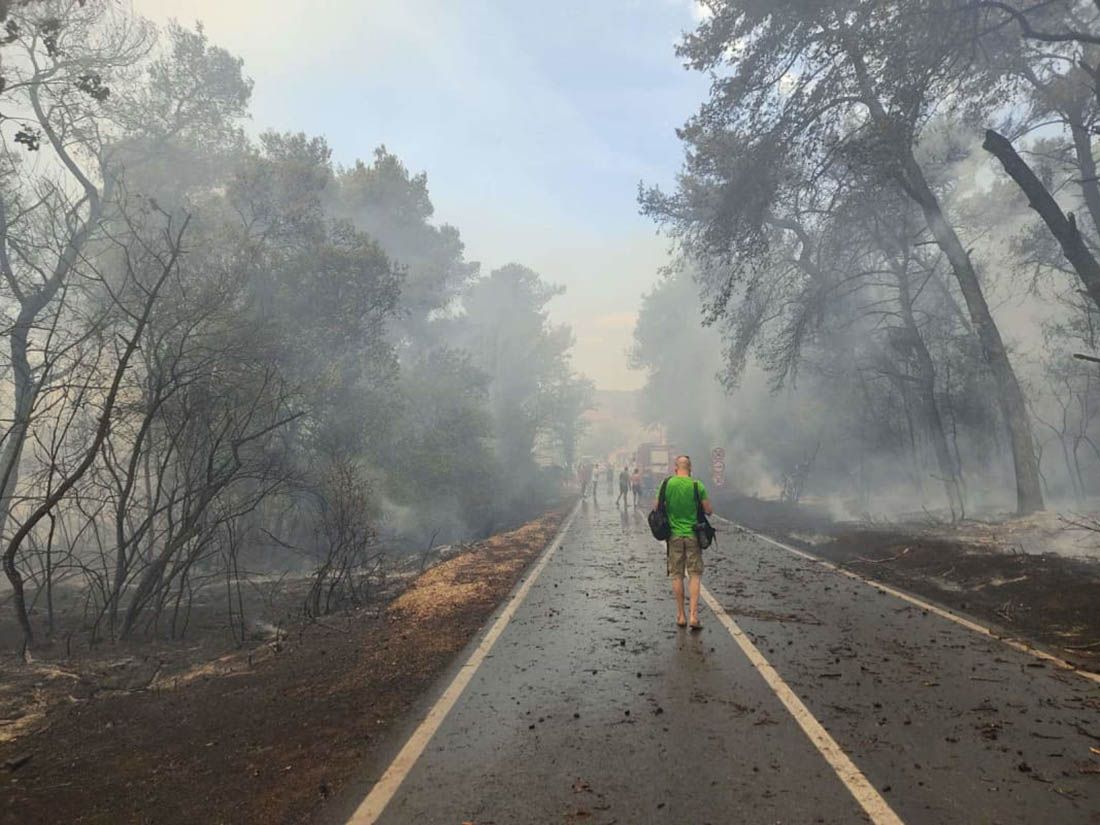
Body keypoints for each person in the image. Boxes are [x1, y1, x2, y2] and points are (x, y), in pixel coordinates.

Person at [656, 455, 713, 630]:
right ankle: (694, 616)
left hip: (673, 536)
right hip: (693, 536)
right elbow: (708, 510)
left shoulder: (666, 484)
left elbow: (656, 507)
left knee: (677, 575)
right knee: (694, 575)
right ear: (690, 468)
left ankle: (681, 616)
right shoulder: (697, 485)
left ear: (675, 468)